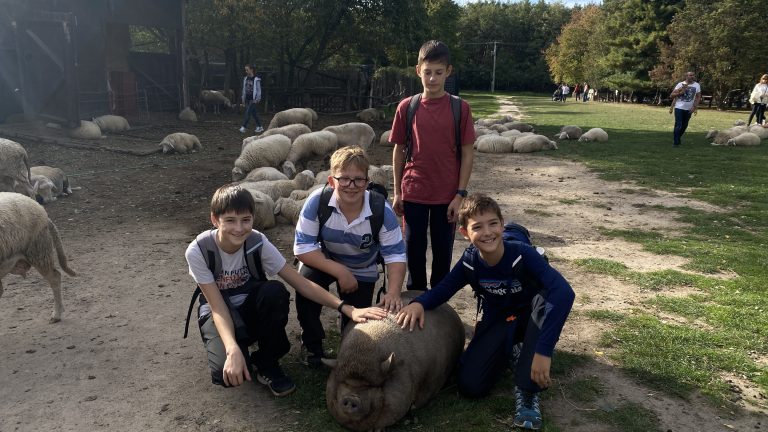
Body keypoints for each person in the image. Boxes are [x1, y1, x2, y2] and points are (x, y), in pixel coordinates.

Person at [184, 184, 387, 396]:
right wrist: (232, 348)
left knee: (275, 291)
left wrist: (347, 308)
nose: (239, 228)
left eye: (246, 220)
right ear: (215, 220)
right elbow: (217, 307)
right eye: (230, 221)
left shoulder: (256, 242)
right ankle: (239, 346)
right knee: (223, 375)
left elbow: (301, 283)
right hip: (221, 312)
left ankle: (267, 362)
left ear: (254, 218)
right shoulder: (199, 250)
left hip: (251, 307)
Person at [396, 193, 575, 431]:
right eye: (477, 227)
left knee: (544, 302)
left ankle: (528, 392)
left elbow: (564, 293)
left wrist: (544, 351)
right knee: (470, 386)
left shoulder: (522, 253)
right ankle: (513, 350)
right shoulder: (470, 262)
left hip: (533, 316)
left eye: (493, 224)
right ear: (465, 233)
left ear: (502, 224)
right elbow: (445, 289)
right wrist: (419, 303)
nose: (487, 232)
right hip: (501, 317)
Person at [293, 146, 407, 366]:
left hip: (363, 266)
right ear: (331, 180)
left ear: (367, 181)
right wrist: (340, 271)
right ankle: (312, 345)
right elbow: (303, 247)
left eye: (358, 180)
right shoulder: (317, 202)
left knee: (358, 318)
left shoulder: (381, 210)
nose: (351, 186)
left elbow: (395, 255)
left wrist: (393, 292)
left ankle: (348, 351)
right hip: (326, 261)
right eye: (344, 179)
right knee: (306, 283)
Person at [388, 40, 476, 292]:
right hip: (414, 190)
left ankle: (438, 302)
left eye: (439, 72)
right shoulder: (407, 107)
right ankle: (415, 298)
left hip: (447, 194)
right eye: (428, 72)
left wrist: (460, 194)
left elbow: (468, 154)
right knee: (413, 249)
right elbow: (399, 150)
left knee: (442, 250)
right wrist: (397, 192)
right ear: (418, 71)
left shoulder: (460, 108)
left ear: (449, 71)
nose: (433, 78)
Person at [670, 71, 702, 147]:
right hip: (679, 107)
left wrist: (694, 107)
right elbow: (671, 95)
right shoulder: (680, 84)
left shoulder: (697, 85)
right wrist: (681, 92)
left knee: (684, 125)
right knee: (679, 124)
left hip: (689, 109)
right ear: (686, 76)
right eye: (690, 75)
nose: (692, 76)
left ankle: (677, 137)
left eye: (693, 75)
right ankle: (676, 142)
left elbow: (698, 97)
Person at [239, 64, 264, 133]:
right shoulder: (246, 78)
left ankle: (243, 127)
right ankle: (260, 127)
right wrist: (243, 99)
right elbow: (244, 89)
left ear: (251, 70)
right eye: (245, 70)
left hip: (253, 99)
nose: (246, 71)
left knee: (248, 113)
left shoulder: (256, 79)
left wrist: (257, 99)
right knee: (254, 113)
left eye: (247, 70)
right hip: (247, 98)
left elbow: (259, 90)